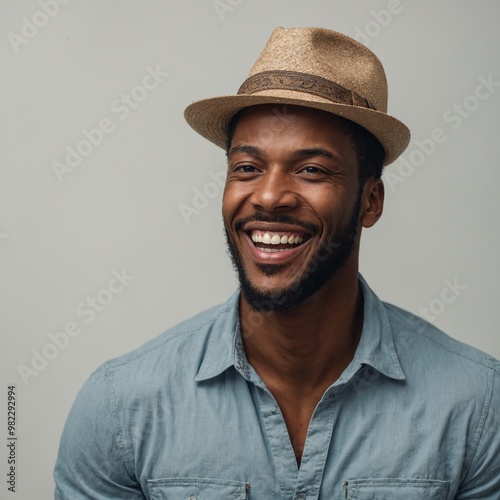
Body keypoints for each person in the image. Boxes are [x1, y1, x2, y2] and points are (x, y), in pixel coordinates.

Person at [54, 27, 500, 499]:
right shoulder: (120, 407)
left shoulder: (476, 406)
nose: (268, 196)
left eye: (311, 170)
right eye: (247, 168)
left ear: (370, 201)